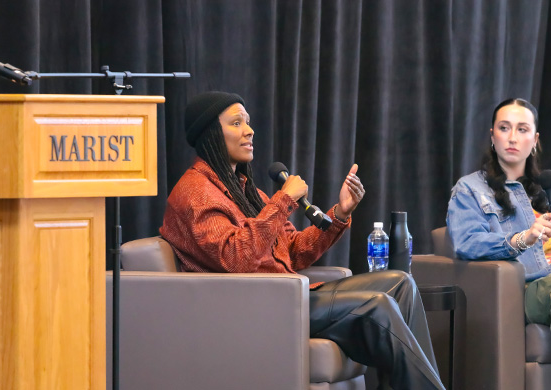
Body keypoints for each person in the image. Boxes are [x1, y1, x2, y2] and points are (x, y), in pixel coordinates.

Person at [160, 91, 444, 390]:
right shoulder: (195, 192)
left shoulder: (246, 191)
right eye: (236, 123)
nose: (249, 130)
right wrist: (282, 200)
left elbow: (293, 252)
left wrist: (340, 215)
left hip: (283, 294)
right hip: (253, 307)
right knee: (379, 305)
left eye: (248, 121)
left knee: (400, 283)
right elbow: (235, 258)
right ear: (210, 135)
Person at [447, 97, 551, 351]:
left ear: (535, 140)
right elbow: (467, 243)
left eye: (522, 129)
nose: (513, 138)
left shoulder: (548, 190)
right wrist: (522, 238)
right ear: (492, 136)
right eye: (504, 128)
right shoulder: (469, 189)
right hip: (524, 288)